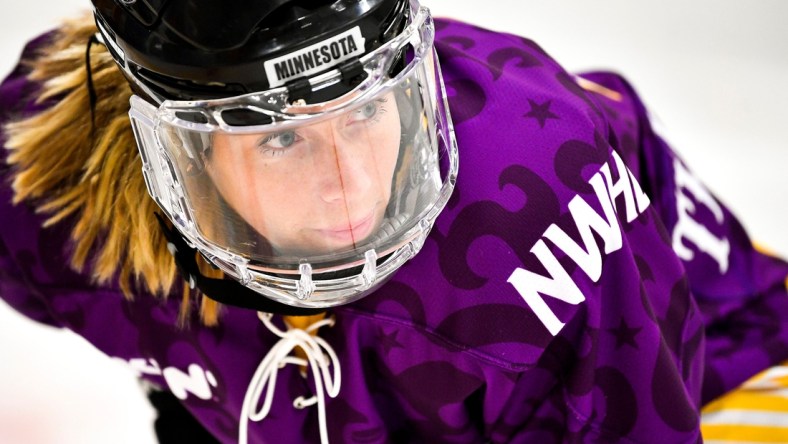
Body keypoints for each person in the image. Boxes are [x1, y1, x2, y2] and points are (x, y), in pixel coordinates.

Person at [1, 0, 787, 443]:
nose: (349, 191)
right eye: (278, 138)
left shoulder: (542, 202)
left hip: (727, 372)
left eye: (367, 107)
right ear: (175, 153)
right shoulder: (43, 191)